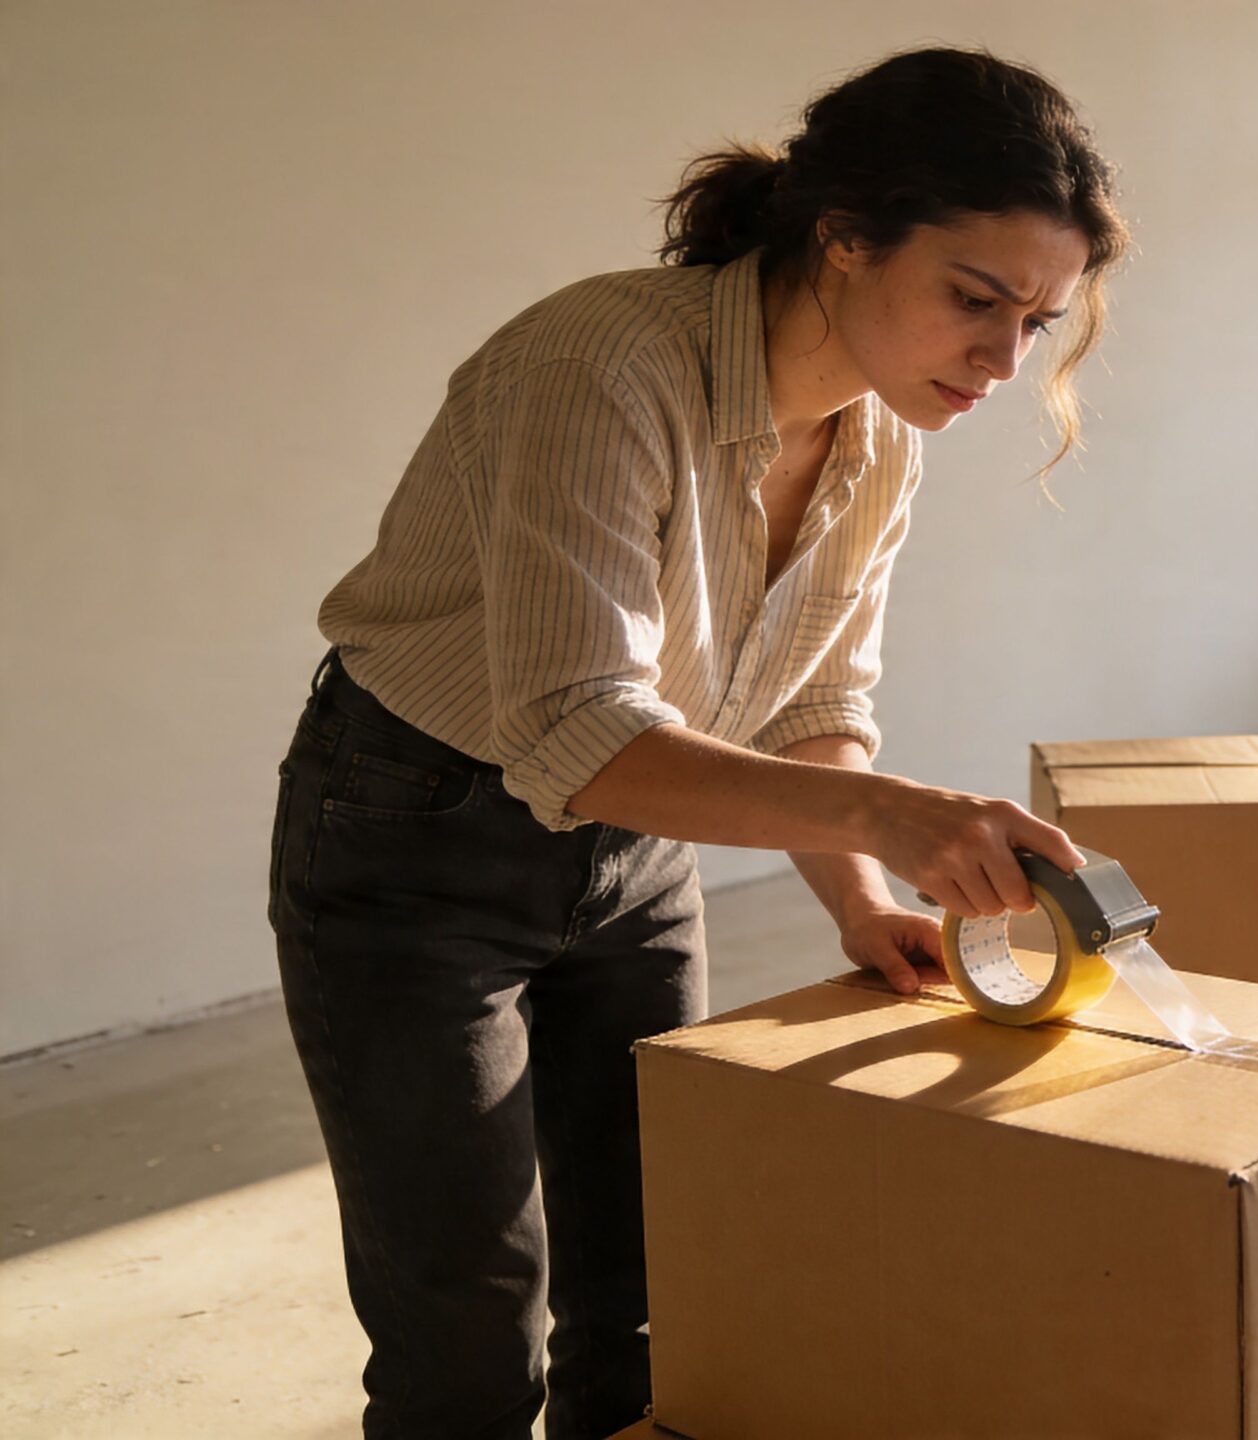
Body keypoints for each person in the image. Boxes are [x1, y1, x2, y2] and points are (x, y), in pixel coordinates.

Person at [266, 46, 1127, 1440]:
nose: (1004, 359)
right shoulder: (598, 366)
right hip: (415, 837)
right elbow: (576, 730)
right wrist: (896, 822)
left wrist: (862, 896)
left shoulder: (879, 432)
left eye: (1039, 321)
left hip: (645, 843)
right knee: (466, 1331)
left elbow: (813, 705)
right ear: (844, 243)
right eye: (976, 299)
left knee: (662, 1294)